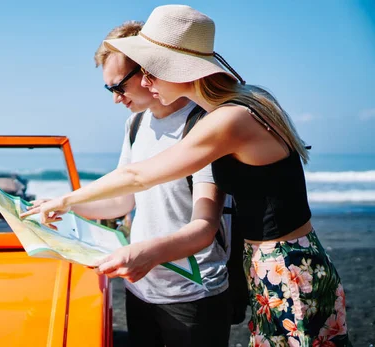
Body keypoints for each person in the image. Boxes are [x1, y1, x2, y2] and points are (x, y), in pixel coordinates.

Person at [22, 5, 351, 347]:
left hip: (286, 269)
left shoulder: (226, 120)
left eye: (151, 72)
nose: (147, 83)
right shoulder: (244, 102)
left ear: (178, 69)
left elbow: (139, 176)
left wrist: (67, 199)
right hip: (278, 263)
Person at [29, 20, 232, 347]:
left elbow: (204, 228)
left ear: (151, 70)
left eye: (118, 87)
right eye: (109, 89)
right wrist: (62, 205)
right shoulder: (136, 123)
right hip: (140, 287)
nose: (115, 99)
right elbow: (124, 198)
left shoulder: (204, 123)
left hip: (192, 293)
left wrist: (146, 253)